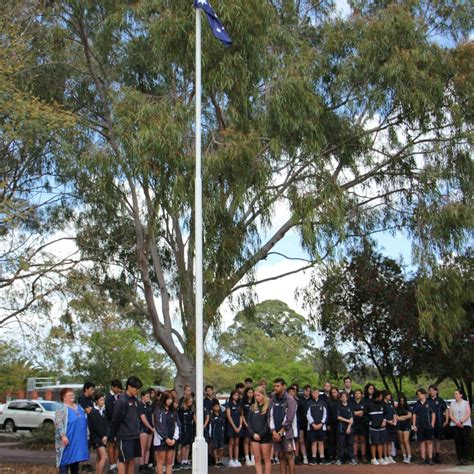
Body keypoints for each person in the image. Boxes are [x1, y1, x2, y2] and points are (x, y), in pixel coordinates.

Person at [110, 376, 143, 474]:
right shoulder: (122, 400)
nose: (137, 390)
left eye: (138, 389)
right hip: (124, 436)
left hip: (135, 435)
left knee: (132, 459)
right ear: (129, 386)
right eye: (135, 388)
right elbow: (116, 420)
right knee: (123, 460)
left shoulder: (135, 400)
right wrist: (113, 436)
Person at [55, 387, 89, 474]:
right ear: (64, 397)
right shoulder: (61, 409)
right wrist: (63, 436)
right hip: (67, 440)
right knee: (64, 462)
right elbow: (58, 423)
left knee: (75, 463)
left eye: (73, 394)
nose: (72, 396)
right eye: (69, 395)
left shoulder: (79, 407)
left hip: (77, 441)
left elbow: (84, 420)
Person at [269, 378, 298, 474]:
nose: (275, 388)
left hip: (287, 433)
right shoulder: (272, 399)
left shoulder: (290, 399)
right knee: (281, 456)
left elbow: (289, 418)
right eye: (274, 386)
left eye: (277, 386)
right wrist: (273, 432)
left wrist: (281, 432)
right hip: (276, 433)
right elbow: (270, 416)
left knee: (289, 456)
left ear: (283, 386)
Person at [154, 390, 180, 474]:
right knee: (161, 462)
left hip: (172, 440)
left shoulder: (174, 411)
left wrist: (174, 439)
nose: (170, 401)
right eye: (168, 398)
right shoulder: (158, 411)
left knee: (169, 462)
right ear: (164, 399)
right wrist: (166, 438)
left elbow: (177, 425)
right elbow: (159, 426)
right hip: (162, 440)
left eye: (171, 399)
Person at [248, 386, 272, 474]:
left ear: (263, 395)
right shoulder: (252, 407)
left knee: (266, 458)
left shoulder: (268, 407)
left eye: (258, 395)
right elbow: (249, 423)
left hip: (265, 436)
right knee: (257, 458)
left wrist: (260, 434)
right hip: (254, 436)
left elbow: (268, 423)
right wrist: (253, 434)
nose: (256, 397)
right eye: (255, 396)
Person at [412, 388, 435, 465]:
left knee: (429, 442)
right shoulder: (416, 404)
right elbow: (414, 414)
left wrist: (432, 424)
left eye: (420, 394)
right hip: (420, 426)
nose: (419, 396)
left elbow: (433, 414)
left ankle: (430, 458)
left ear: (424, 394)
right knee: (421, 442)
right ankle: (423, 458)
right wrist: (414, 425)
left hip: (428, 426)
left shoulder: (430, 403)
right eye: (418, 394)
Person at [449, 389, 472, 466]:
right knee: (458, 442)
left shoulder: (466, 403)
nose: (455, 395)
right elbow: (450, 415)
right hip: (455, 425)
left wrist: (461, 422)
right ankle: (460, 459)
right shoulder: (452, 404)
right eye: (454, 394)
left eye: (456, 394)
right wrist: (457, 422)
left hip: (465, 425)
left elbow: (468, 413)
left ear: (461, 395)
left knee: (465, 442)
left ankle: (465, 459)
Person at [306, 386, 329, 465]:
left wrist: (321, 424)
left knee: (321, 442)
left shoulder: (323, 403)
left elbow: (325, 415)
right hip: (312, 427)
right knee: (314, 442)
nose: (315, 394)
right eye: (313, 393)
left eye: (316, 393)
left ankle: (322, 458)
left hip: (322, 427)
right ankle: (314, 458)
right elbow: (308, 415)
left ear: (318, 393)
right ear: (311, 394)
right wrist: (313, 424)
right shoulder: (309, 403)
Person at [364, 389, 387, 465]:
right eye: (381, 396)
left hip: (382, 427)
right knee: (373, 443)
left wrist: (384, 420)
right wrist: (370, 423)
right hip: (373, 428)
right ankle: (373, 459)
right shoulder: (369, 404)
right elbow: (365, 415)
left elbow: (386, 414)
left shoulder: (383, 404)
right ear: (377, 396)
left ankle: (380, 458)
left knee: (380, 442)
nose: (382, 397)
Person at [88, 394, 109, 474]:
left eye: (103, 400)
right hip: (96, 437)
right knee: (104, 456)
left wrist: (106, 435)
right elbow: (95, 426)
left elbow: (105, 424)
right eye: (100, 400)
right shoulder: (93, 412)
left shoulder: (103, 411)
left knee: (99, 457)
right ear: (96, 401)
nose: (102, 402)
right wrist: (103, 436)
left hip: (103, 437)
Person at [105, 379, 123, 473]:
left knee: (116, 444)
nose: (118, 390)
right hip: (110, 425)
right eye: (117, 388)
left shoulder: (118, 397)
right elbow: (109, 412)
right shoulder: (109, 397)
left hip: (117, 425)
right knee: (111, 444)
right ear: (113, 387)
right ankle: (112, 465)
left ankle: (115, 464)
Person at [428, 384, 449, 463]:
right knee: (431, 439)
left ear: (436, 391)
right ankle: (431, 455)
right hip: (430, 423)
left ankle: (437, 455)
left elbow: (446, 410)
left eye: (433, 390)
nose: (431, 392)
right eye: (430, 390)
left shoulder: (440, 400)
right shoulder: (427, 400)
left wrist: (446, 420)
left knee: (438, 439)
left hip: (439, 422)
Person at [336, 392, 356, 466]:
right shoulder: (338, 406)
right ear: (340, 398)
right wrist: (347, 421)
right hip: (341, 428)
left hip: (349, 428)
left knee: (350, 443)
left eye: (345, 396)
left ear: (347, 398)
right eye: (342, 397)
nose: (344, 398)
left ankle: (352, 458)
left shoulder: (350, 406)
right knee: (341, 444)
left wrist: (349, 427)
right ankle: (339, 459)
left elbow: (352, 417)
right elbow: (338, 417)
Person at [137, 390, 154, 473]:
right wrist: (150, 427)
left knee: (148, 448)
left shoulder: (149, 405)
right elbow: (143, 418)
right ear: (142, 397)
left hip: (150, 429)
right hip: (143, 428)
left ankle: (146, 464)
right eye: (147, 396)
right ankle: (141, 465)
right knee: (142, 448)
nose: (148, 398)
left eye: (149, 396)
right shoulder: (140, 405)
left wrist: (153, 427)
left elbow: (151, 416)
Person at [226, 389, 243, 467]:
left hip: (238, 426)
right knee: (231, 443)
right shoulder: (229, 404)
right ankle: (230, 459)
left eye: (237, 395)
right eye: (235, 395)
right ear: (232, 396)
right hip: (231, 426)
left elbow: (241, 415)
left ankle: (236, 459)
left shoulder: (239, 404)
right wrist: (234, 427)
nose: (236, 396)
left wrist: (240, 426)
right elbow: (228, 416)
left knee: (237, 443)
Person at [350, 389, 367, 463]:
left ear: (361, 394)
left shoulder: (364, 403)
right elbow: (351, 412)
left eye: (358, 393)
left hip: (362, 423)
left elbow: (366, 412)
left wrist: (361, 413)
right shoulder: (351, 403)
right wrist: (358, 412)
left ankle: (363, 456)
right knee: (355, 440)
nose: (357, 394)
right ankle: (355, 456)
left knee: (363, 440)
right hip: (354, 423)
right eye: (356, 393)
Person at [178, 396, 194, 469]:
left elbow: (192, 419)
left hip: (189, 429)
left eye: (191, 402)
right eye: (190, 401)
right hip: (184, 430)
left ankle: (186, 459)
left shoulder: (190, 410)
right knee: (184, 445)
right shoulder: (181, 410)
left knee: (188, 445)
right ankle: (182, 460)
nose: (191, 403)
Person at [296, 384, 311, 465]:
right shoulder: (299, 400)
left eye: (309, 391)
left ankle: (310, 456)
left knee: (309, 441)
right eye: (306, 390)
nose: (308, 392)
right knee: (301, 440)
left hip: (310, 424)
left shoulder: (312, 400)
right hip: (301, 423)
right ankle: (303, 457)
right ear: (304, 391)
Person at [396, 394, 412, 464]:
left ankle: (409, 456)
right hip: (399, 425)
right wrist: (404, 417)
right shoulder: (397, 408)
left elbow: (410, 416)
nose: (402, 401)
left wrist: (401, 417)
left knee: (406, 441)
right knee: (401, 441)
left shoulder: (408, 407)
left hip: (406, 425)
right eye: (400, 400)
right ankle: (404, 456)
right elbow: (397, 417)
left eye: (403, 400)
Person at [209, 400, 225, 468]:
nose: (217, 408)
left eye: (218, 406)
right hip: (214, 434)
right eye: (216, 407)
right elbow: (210, 426)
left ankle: (220, 460)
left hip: (220, 433)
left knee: (221, 448)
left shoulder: (221, 415)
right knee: (215, 447)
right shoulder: (211, 416)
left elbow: (224, 408)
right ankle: (216, 461)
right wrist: (210, 434)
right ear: (213, 407)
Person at [382, 390, 397, 464]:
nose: (390, 396)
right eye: (388, 395)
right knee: (385, 441)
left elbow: (394, 413)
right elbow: (382, 416)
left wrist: (394, 421)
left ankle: (390, 456)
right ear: (385, 395)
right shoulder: (382, 404)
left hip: (392, 426)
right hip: (386, 425)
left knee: (390, 441)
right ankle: (385, 456)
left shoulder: (391, 404)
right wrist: (388, 421)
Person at [242, 387, 255, 466]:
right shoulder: (243, 402)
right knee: (246, 441)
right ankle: (247, 459)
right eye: (249, 392)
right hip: (246, 424)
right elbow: (242, 415)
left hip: (253, 424)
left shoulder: (255, 402)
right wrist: (246, 424)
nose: (250, 394)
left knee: (252, 441)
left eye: (252, 392)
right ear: (246, 393)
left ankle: (253, 458)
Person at [326, 386, 340, 463]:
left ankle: (339, 456)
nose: (333, 394)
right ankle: (331, 456)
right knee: (331, 441)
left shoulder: (340, 401)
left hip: (340, 424)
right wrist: (327, 424)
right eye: (332, 393)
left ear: (337, 392)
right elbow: (327, 414)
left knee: (340, 440)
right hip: (331, 424)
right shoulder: (328, 402)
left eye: (335, 392)